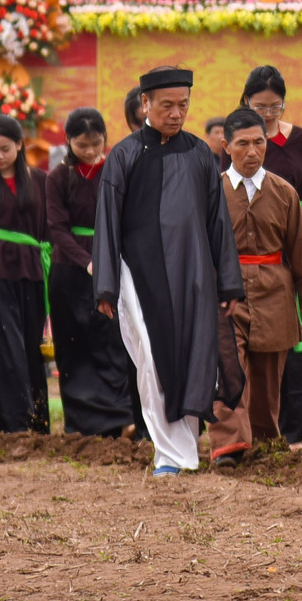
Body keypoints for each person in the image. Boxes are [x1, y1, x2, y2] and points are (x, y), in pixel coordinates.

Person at [93, 66, 244, 476]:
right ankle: (169, 454)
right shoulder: (123, 156)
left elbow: (218, 222)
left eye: (183, 105)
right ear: (145, 104)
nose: (176, 114)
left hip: (193, 273)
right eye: (167, 106)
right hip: (138, 277)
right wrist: (105, 286)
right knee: (152, 358)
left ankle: (177, 455)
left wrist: (228, 280)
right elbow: (106, 222)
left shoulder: (199, 153)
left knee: (192, 356)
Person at [207, 108, 302, 466]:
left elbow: (301, 251)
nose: (252, 151)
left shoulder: (285, 192)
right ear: (227, 146)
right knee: (229, 369)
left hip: (275, 291)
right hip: (225, 294)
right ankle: (228, 445)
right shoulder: (211, 192)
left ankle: (262, 442)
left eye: (259, 142)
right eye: (243, 144)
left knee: (268, 377)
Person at [241, 64, 302, 450]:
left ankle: (292, 432)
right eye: (260, 107)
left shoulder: (300, 139)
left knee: (297, 337)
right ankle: (256, 427)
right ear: (246, 103)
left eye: (274, 107)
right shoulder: (241, 141)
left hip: (294, 244)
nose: (267, 115)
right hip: (253, 249)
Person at [44, 108, 139, 436]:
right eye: (82, 145)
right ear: (68, 141)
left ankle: (121, 417)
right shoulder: (58, 177)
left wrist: (107, 259)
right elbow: (56, 228)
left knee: (112, 342)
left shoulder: (114, 171)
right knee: (73, 346)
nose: (89, 151)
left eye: (96, 144)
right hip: (69, 272)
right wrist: (86, 261)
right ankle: (80, 422)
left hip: (110, 265)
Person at [0, 114, 51, 434]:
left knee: (32, 346)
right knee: (6, 346)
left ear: (20, 145)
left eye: (5, 149)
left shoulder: (41, 180)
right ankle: (14, 421)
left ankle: (38, 422)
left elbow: (48, 228)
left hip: (31, 270)